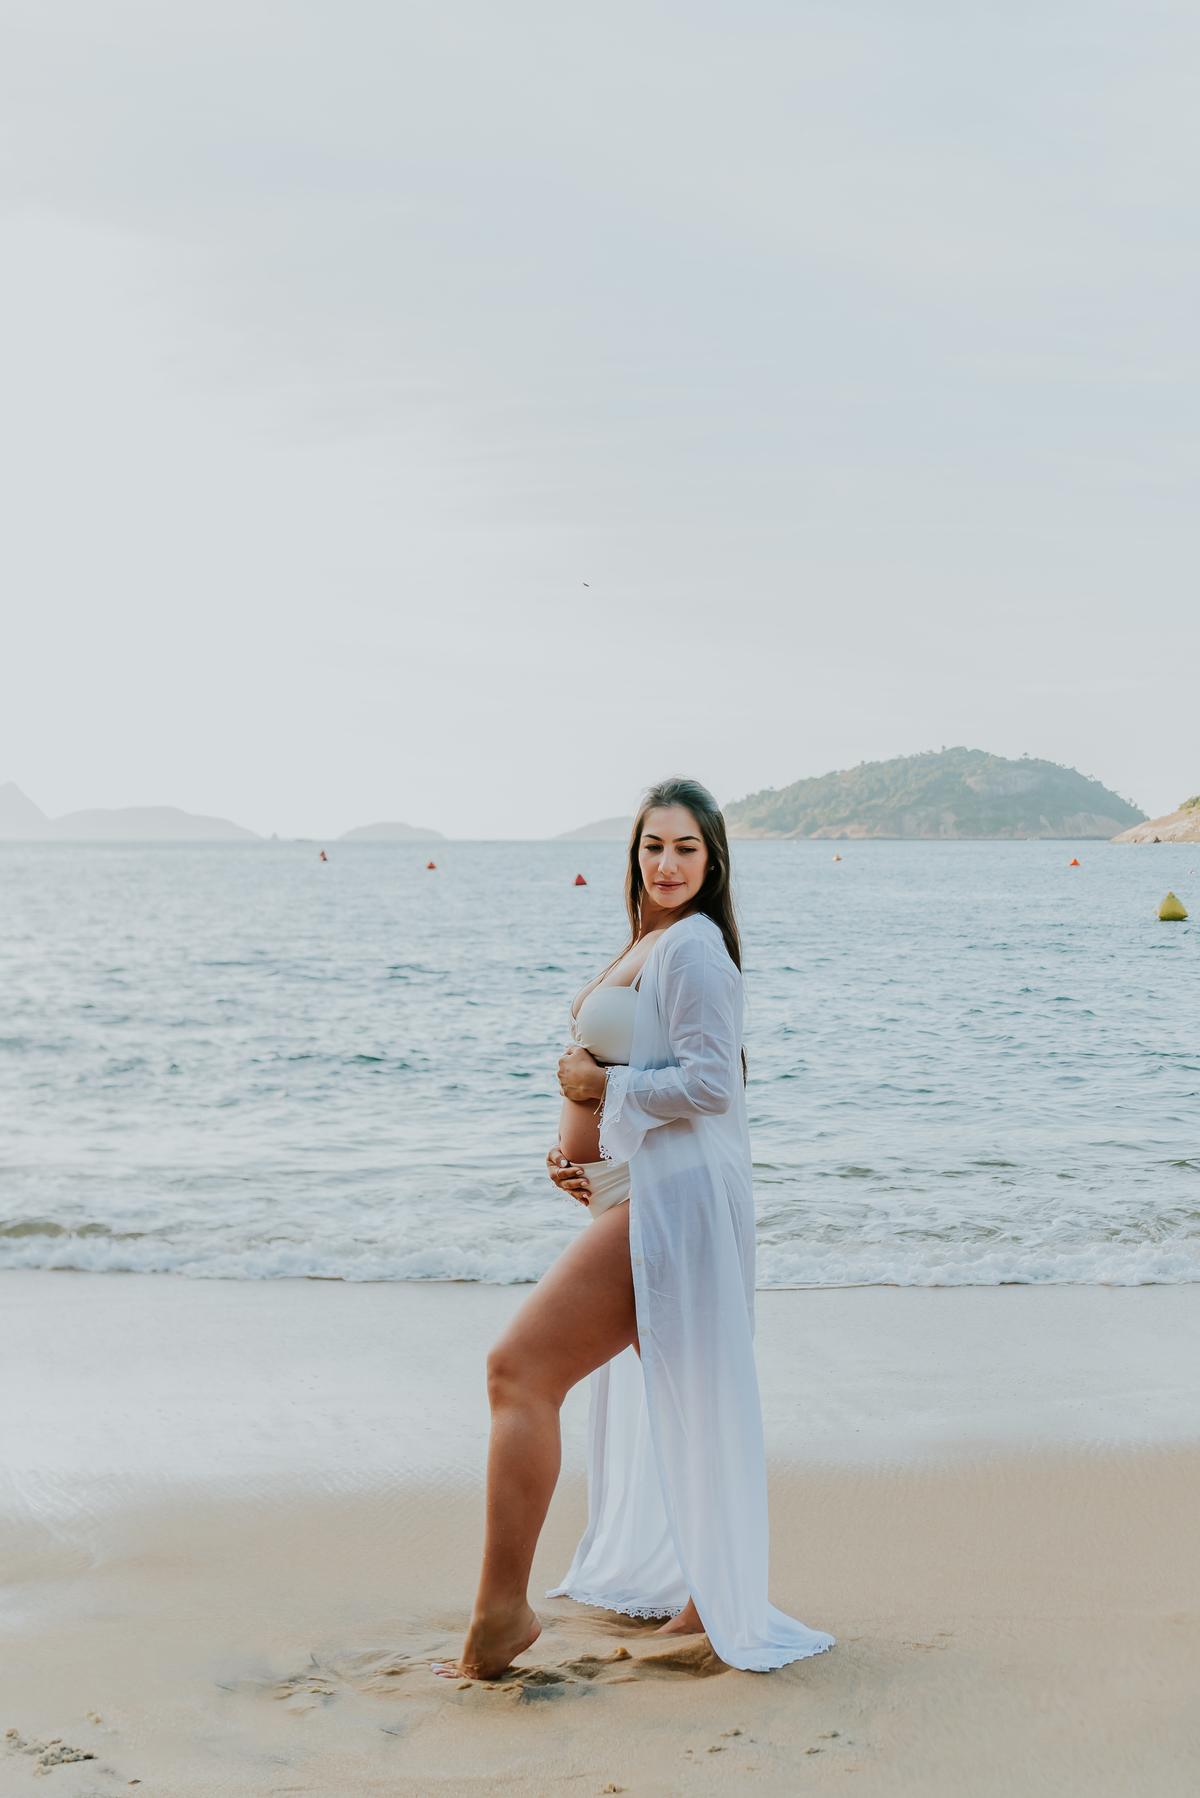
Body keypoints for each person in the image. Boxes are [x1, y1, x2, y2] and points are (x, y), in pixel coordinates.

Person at [442, 778, 833, 1680]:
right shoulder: (654, 943)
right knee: (686, 1397)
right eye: (652, 846)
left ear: (713, 859)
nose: (665, 863)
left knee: (518, 1370)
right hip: (643, 1191)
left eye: (685, 848)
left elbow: (710, 1087)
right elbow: (645, 1072)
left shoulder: (694, 950)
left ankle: (501, 1615)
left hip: (676, 1204)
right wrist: (584, 1155)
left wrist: (599, 1095)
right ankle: (706, 1594)